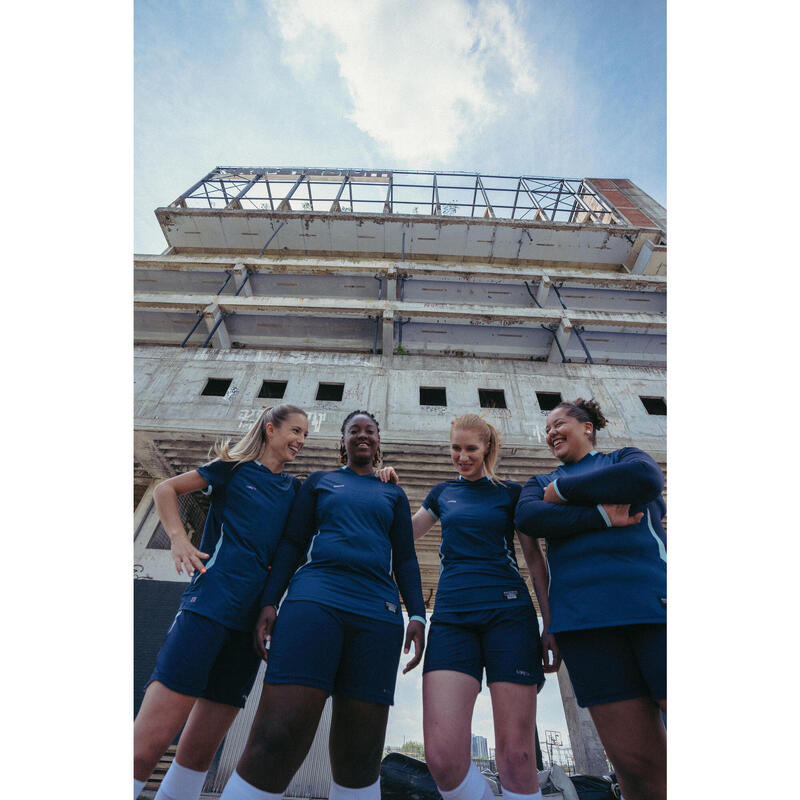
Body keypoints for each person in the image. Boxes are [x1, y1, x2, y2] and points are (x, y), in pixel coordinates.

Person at [218, 410, 426, 800]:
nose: (362, 435)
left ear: (378, 443)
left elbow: (406, 558)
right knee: (277, 736)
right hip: (314, 603)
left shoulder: (393, 493)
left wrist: (416, 612)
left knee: (361, 753)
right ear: (342, 442)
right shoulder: (319, 482)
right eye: (354, 431)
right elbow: (293, 544)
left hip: (377, 616)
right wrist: (270, 601)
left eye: (370, 431)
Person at [133, 404, 309, 800]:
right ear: (270, 429)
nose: (300, 441)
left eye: (305, 436)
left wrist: (381, 475)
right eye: (294, 431)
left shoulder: (296, 490)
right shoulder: (231, 470)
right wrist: (179, 539)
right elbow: (166, 489)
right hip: (208, 606)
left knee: (198, 752)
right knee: (149, 742)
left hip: (249, 627)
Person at [384, 414, 557, 800]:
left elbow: (533, 560)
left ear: (487, 450)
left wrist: (551, 623)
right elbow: (401, 536)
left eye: (470, 449)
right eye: (455, 448)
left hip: (509, 616)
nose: (461, 456)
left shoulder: (512, 494)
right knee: (442, 759)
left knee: (517, 755)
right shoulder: (442, 493)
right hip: (451, 618)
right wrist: (386, 492)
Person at [514, 398, 666, 800]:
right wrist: (600, 514)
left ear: (588, 428)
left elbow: (645, 479)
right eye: (547, 429)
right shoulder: (536, 483)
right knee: (634, 764)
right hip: (585, 626)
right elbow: (529, 517)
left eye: (559, 423)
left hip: (655, 610)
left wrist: (561, 492)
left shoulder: (624, 459)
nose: (551, 433)